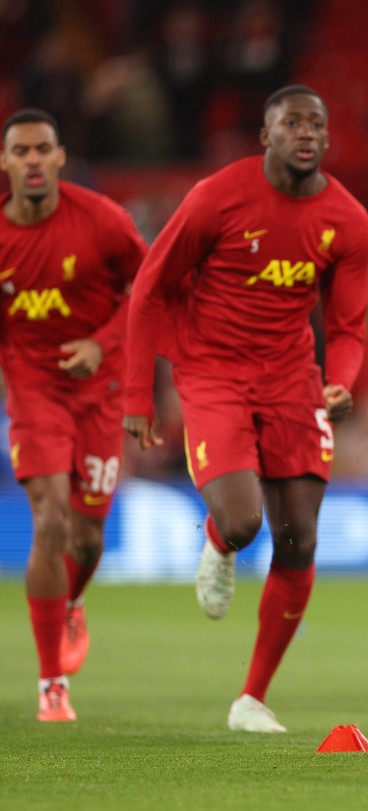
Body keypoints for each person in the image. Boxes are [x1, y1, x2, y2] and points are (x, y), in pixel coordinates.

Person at [123, 85, 368, 732]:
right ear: (266, 135)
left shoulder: (347, 220)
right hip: (212, 371)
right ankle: (218, 540)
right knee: (242, 521)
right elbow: (150, 288)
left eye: (317, 123)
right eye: (292, 122)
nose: (306, 132)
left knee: (302, 535)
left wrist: (341, 380)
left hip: (293, 378)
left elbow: (347, 327)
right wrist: (136, 395)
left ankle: (252, 697)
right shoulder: (217, 197)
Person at [0, 108, 147, 722]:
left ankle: (72, 602)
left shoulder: (102, 221)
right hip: (33, 392)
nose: (32, 160)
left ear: (60, 157)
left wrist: (102, 346)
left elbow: (148, 286)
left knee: (86, 538)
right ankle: (51, 684)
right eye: (20, 151)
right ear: (5, 163)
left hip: (100, 392)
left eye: (43, 149)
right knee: (50, 517)